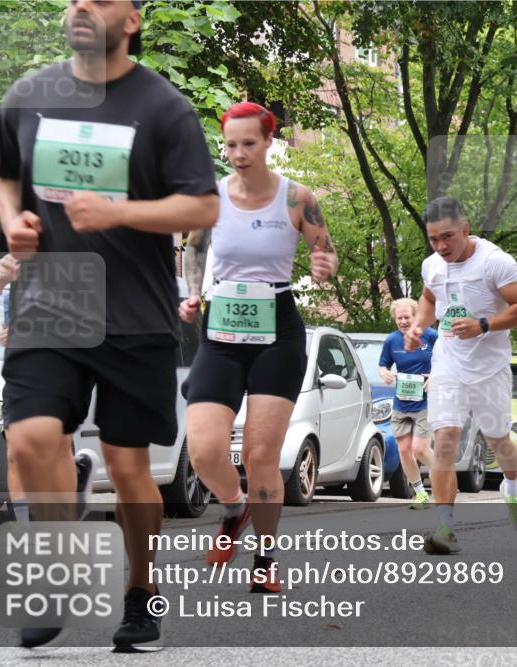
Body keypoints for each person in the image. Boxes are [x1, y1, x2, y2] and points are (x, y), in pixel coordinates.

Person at [0, 0, 219, 649]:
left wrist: (121, 213)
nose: (82, 6)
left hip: (135, 310)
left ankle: (141, 592)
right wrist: (14, 220)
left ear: (133, 20)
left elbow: (203, 205)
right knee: (31, 437)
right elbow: (5, 176)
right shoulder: (29, 95)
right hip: (51, 300)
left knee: (128, 465)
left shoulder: (164, 106)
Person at [180, 102, 338, 591]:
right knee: (205, 448)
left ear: (269, 142)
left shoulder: (296, 198)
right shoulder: (211, 197)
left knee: (260, 455)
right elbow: (194, 251)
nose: (239, 154)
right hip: (221, 328)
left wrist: (323, 264)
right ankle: (234, 507)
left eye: (249, 144)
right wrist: (191, 293)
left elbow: (324, 248)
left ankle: (266, 560)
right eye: (230, 145)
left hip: (277, 331)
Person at [404, 196, 517, 554]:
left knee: (499, 441)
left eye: (447, 237)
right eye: (433, 239)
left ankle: (511, 486)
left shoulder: (495, 263)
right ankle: (445, 528)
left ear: (465, 229)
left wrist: (484, 324)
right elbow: (430, 300)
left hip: (490, 367)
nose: (441, 246)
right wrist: (418, 326)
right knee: (444, 440)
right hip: (448, 362)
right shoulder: (432, 265)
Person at [0, 232, 100, 523]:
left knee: (55, 442)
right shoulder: (19, 219)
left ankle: (72, 486)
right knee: (16, 450)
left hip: (75, 349)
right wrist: (7, 320)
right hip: (26, 353)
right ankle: (26, 529)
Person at [378, 297, 437, 508]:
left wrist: (434, 376)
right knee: (404, 450)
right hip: (402, 402)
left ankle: (443, 476)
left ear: (415, 316)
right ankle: (420, 493)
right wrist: (384, 373)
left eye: (407, 317)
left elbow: (447, 360)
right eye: (399, 318)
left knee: (421, 449)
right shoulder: (391, 340)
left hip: (426, 402)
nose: (403, 321)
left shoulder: (430, 335)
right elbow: (383, 365)